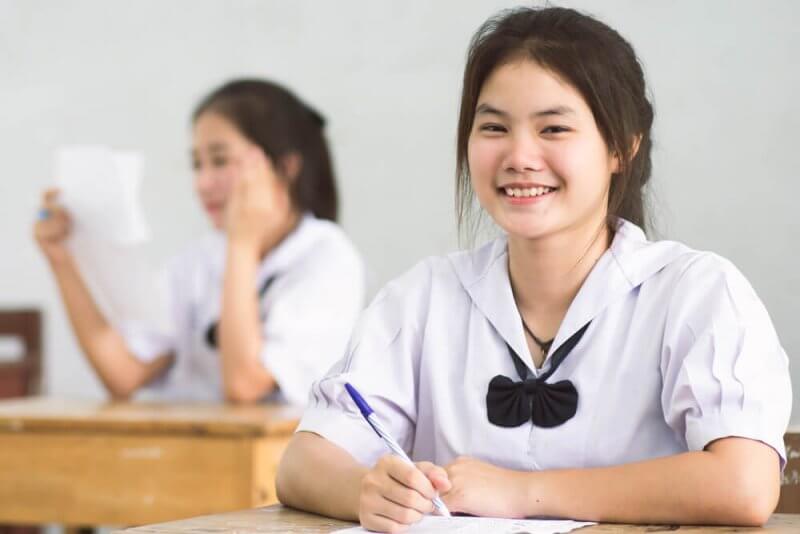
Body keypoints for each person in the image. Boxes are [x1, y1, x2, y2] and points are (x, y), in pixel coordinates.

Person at [275, 7, 791, 530]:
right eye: (494, 127)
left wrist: (522, 492)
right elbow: (301, 464)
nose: (520, 156)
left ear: (622, 148)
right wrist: (365, 490)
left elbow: (745, 485)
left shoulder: (695, 293)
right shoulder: (423, 296)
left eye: (554, 128)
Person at [34, 79, 365, 404]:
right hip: (194, 451)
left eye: (220, 161)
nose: (203, 184)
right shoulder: (200, 259)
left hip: (271, 456)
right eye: (197, 164)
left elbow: (245, 385)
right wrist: (62, 260)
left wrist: (242, 244)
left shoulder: (327, 257)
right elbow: (124, 374)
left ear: (285, 167)